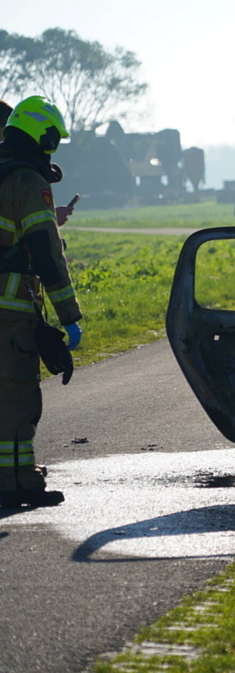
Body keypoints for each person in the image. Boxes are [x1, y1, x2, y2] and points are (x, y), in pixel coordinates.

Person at [0, 95, 83, 507]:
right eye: (52, 140)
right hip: (10, 311)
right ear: (41, 136)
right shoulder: (28, 182)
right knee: (16, 395)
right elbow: (46, 254)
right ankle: (18, 484)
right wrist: (69, 315)